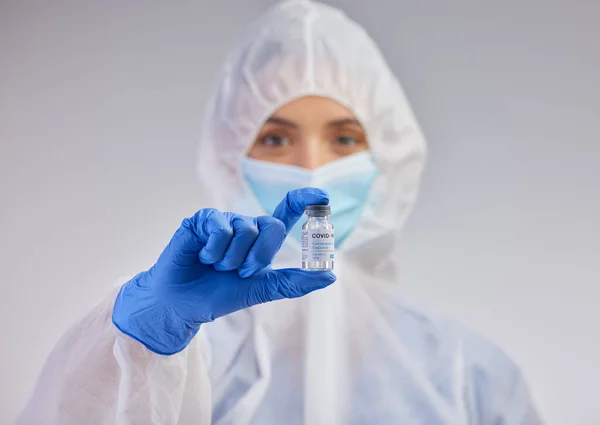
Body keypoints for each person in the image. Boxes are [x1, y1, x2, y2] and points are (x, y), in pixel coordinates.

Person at [16, 1, 543, 424]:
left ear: (389, 156)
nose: (312, 169)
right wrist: (137, 347)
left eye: (343, 137)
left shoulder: (467, 376)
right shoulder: (179, 362)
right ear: (229, 156)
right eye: (274, 138)